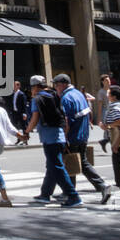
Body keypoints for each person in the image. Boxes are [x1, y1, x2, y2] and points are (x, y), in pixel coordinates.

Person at [21, 75, 80, 206]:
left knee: (57, 167)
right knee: (51, 166)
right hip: (59, 135)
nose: (31, 90)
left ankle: (73, 196)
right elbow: (63, 116)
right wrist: (65, 134)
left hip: (50, 138)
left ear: (35, 87)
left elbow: (35, 118)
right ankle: (45, 194)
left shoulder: (37, 99)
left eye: (31, 87)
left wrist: (26, 132)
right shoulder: (54, 95)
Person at [57, 74, 112, 203]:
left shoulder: (66, 98)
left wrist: (64, 138)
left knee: (74, 163)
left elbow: (66, 121)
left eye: (57, 85)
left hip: (73, 136)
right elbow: (89, 113)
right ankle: (71, 191)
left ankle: (99, 186)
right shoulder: (78, 94)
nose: (56, 88)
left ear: (63, 84)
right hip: (83, 134)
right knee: (78, 163)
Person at [103, 86, 120, 192]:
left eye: (109, 94)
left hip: (118, 138)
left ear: (114, 96)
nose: (107, 96)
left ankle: (119, 183)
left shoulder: (114, 107)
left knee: (117, 161)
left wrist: (107, 126)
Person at [95, 75, 112, 152]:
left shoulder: (112, 90)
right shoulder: (101, 92)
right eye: (106, 80)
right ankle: (105, 141)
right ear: (102, 82)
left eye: (109, 80)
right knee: (109, 128)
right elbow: (100, 106)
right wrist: (99, 119)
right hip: (106, 111)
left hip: (113, 110)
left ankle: (104, 141)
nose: (108, 81)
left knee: (112, 129)